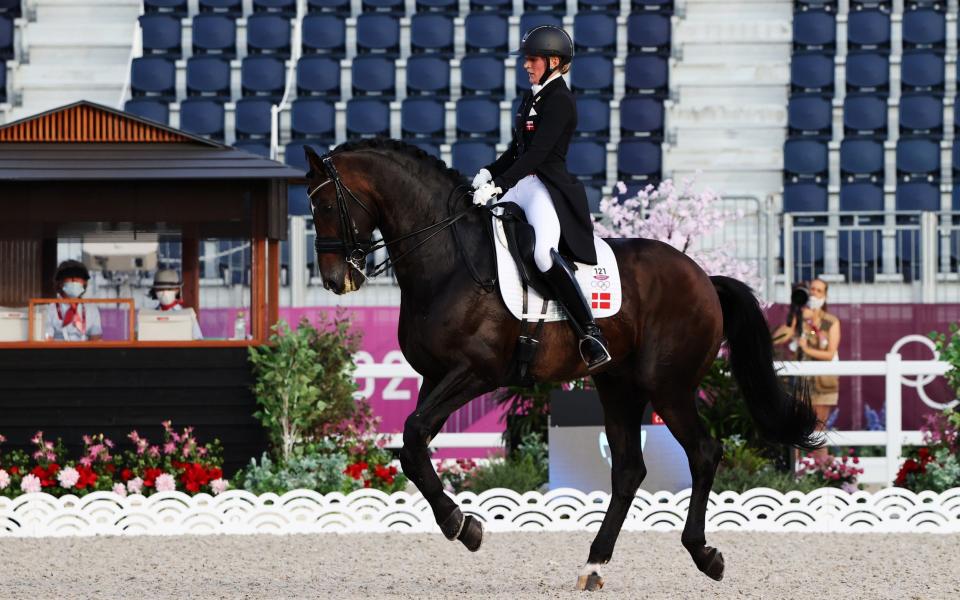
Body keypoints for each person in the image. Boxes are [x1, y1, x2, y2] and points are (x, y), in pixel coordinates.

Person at [471, 25, 611, 370]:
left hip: (545, 187)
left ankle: (591, 333)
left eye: (532, 59)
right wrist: (489, 172)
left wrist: (500, 184)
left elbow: (537, 156)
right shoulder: (532, 96)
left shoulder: (560, 100)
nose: (526, 65)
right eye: (526, 59)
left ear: (553, 61)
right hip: (522, 183)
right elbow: (517, 150)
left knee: (544, 255)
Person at [773, 279, 841, 455]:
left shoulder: (830, 322)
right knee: (796, 426)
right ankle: (795, 472)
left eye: (819, 291)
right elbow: (778, 339)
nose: (814, 293)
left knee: (818, 428)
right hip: (800, 382)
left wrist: (807, 348)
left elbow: (830, 354)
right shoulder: (799, 316)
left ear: (825, 296)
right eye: (811, 289)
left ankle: (822, 470)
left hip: (822, 382)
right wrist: (794, 318)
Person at [45, 260, 102, 342]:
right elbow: (47, 340)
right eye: (71, 278)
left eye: (79, 278)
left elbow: (96, 340)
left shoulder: (91, 309)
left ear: (85, 283)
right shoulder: (49, 309)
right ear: (60, 282)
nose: (75, 281)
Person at [146, 269, 203, 340]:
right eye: (160, 289)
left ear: (177, 290)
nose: (164, 292)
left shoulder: (189, 315)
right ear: (155, 291)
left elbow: (198, 342)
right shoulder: (146, 316)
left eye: (169, 289)